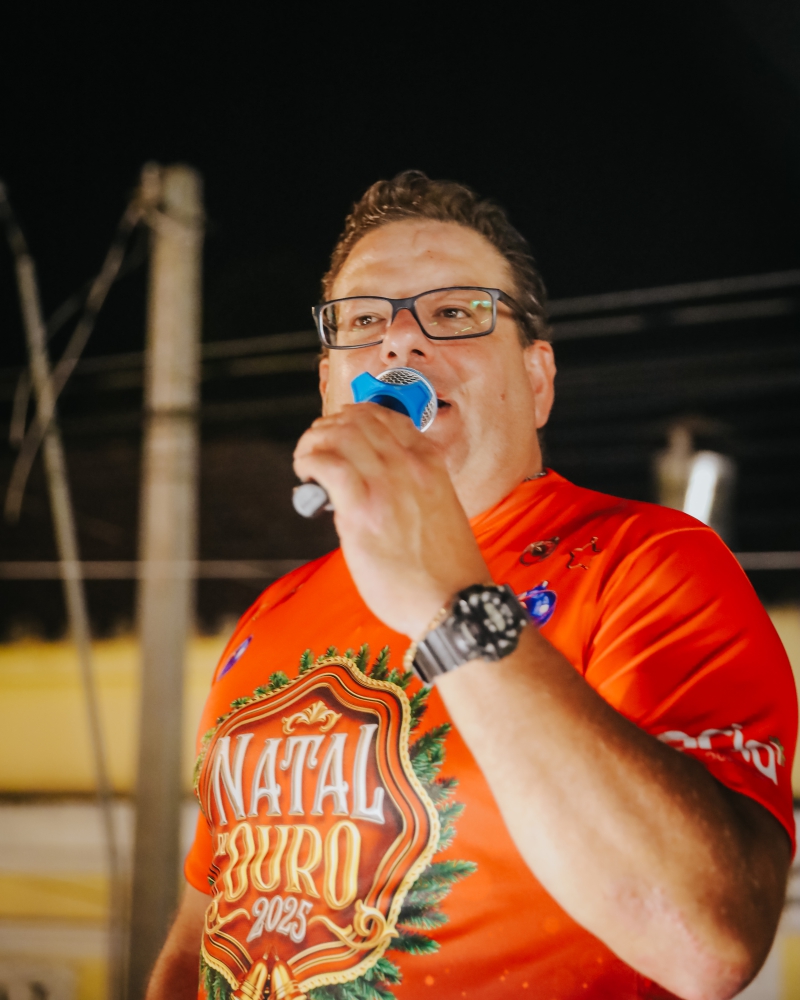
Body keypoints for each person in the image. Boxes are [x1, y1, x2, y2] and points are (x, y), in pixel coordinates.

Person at [146, 172, 796, 1000]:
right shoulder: (271, 616)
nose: (399, 343)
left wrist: (447, 601)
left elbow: (708, 942)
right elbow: (205, 931)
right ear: (328, 383)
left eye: (454, 313)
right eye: (364, 320)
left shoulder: (647, 562)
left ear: (537, 381)